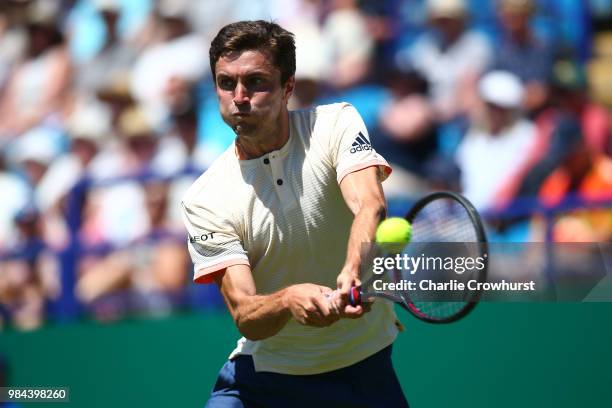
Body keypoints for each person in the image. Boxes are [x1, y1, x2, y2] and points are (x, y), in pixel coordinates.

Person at [181, 20, 408, 407]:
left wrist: (352, 269)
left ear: (288, 87)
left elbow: (369, 204)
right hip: (263, 381)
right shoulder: (204, 198)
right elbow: (245, 312)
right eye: (225, 82)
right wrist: (288, 299)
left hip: (363, 368)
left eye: (255, 82)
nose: (239, 96)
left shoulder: (335, 123)